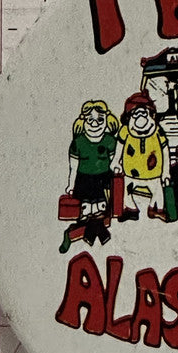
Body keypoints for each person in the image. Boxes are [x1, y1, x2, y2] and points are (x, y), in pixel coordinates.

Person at [60, 100, 119, 251]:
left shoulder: (109, 141)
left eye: (99, 120)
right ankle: (89, 235)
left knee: (100, 209)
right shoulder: (78, 142)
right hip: (84, 181)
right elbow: (73, 167)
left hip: (103, 181)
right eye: (90, 120)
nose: (94, 124)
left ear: (107, 121)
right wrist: (71, 185)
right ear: (83, 121)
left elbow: (113, 161)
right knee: (87, 211)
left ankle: (73, 234)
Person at [112, 91, 170, 221]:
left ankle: (155, 209)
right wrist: (115, 162)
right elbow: (119, 147)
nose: (140, 117)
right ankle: (131, 209)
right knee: (126, 190)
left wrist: (166, 172)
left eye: (143, 113)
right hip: (131, 173)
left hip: (153, 173)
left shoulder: (157, 131)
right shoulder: (125, 130)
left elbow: (165, 150)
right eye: (135, 113)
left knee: (157, 191)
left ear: (151, 114)